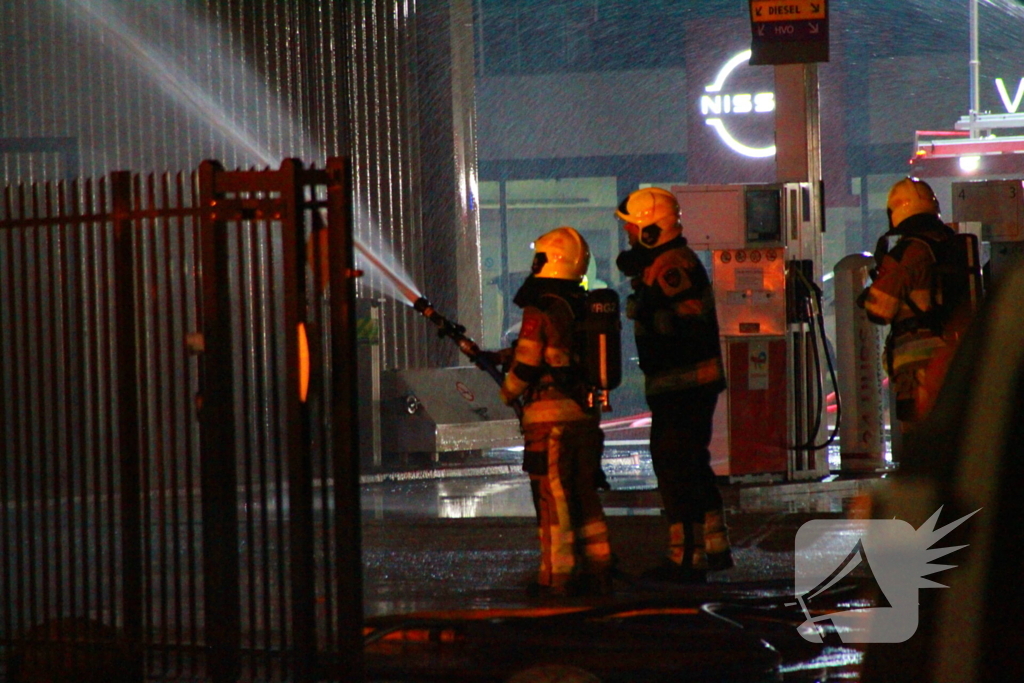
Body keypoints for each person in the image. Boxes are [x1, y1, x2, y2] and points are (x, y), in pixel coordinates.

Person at [614, 187, 732, 582]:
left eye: (632, 229)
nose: (628, 237)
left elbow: (686, 320)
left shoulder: (671, 266)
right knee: (693, 464)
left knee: (675, 466)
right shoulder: (664, 264)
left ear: (651, 230)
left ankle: (685, 557)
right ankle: (714, 545)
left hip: (684, 386)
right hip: (683, 385)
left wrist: (655, 314)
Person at [496, 226, 613, 598]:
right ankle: (599, 568)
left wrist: (508, 389)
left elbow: (529, 362)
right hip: (583, 417)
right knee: (583, 495)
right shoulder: (580, 303)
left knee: (553, 499)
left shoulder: (541, 306)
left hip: (550, 422)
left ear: (548, 261)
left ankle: (555, 577)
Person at [857, 177, 961, 428]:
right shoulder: (952, 245)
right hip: (956, 354)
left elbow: (879, 310)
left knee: (920, 438)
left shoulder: (907, 252)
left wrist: (869, 290)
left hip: (918, 365)